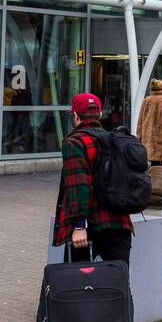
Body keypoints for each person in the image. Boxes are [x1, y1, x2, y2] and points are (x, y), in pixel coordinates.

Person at [53, 93, 134, 267]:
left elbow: (78, 185)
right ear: (99, 115)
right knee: (118, 284)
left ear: (75, 116)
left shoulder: (74, 142)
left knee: (77, 284)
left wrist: (79, 225)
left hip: (90, 226)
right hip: (120, 223)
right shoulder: (114, 140)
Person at [136, 78, 162, 167]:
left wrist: (139, 137)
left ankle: (152, 180)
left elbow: (140, 121)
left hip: (148, 140)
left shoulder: (146, 100)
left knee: (152, 166)